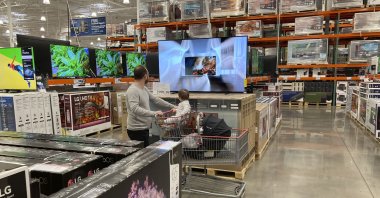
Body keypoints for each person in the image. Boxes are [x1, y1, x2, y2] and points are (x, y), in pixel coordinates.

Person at [126, 66, 176, 147]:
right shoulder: (133, 90)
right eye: (148, 75)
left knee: (144, 153)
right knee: (141, 155)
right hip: (136, 130)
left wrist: (172, 106)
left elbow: (155, 99)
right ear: (145, 76)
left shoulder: (144, 88)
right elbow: (135, 109)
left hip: (143, 128)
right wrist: (154, 113)